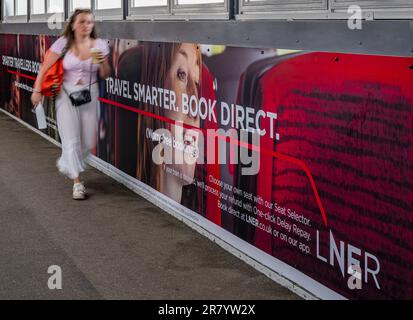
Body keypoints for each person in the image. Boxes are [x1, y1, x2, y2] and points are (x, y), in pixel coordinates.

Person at [31, 9, 111, 200]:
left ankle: (68, 161)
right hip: (66, 95)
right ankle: (77, 183)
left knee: (87, 141)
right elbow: (45, 67)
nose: (86, 25)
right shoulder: (63, 43)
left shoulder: (99, 45)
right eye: (82, 21)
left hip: (89, 96)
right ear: (73, 24)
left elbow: (106, 74)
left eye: (90, 22)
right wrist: (37, 90)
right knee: (71, 139)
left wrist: (101, 61)